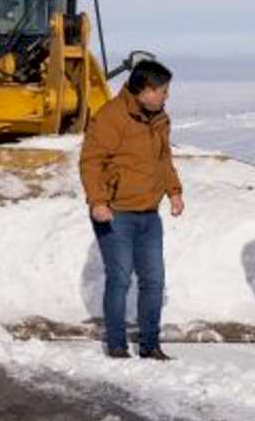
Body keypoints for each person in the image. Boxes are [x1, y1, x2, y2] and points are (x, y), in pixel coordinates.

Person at [79, 59, 184, 361]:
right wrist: (97, 201)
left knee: (154, 280)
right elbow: (91, 162)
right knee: (120, 278)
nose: (167, 96)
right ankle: (117, 345)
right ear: (147, 90)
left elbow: (163, 160)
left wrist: (173, 191)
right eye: (163, 90)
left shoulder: (160, 118)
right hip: (116, 213)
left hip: (149, 215)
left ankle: (150, 345)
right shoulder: (111, 116)